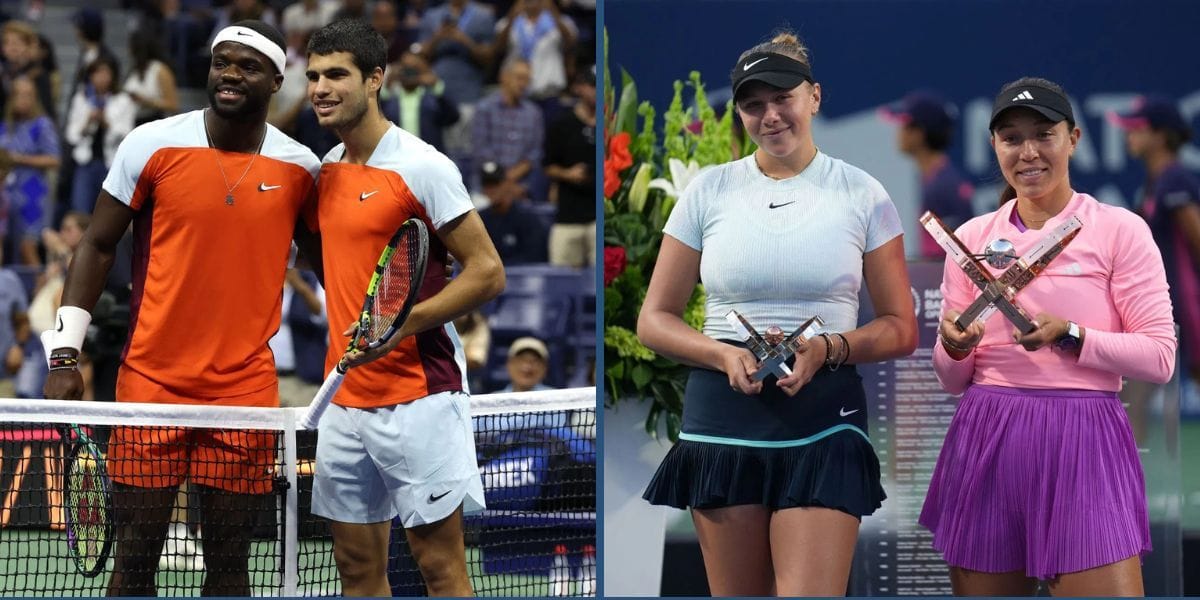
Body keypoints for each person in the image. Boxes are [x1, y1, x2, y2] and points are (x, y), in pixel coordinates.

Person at [42, 20, 321, 596]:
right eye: (223, 62)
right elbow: (96, 244)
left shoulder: (303, 169)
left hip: (244, 393)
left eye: (247, 66)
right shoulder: (151, 142)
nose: (230, 74)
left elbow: (329, 266)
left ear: (276, 80)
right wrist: (65, 353)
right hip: (151, 383)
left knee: (228, 570)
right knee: (135, 564)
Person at [636, 31, 917, 596]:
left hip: (824, 418)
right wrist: (722, 354)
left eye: (782, 98)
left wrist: (827, 349)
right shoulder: (706, 193)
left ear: (813, 96)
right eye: (753, 104)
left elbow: (900, 327)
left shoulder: (862, 193)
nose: (770, 116)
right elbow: (655, 319)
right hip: (722, 421)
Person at [920, 77, 1176, 597]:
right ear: (994, 146)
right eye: (1012, 138)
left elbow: (1159, 357)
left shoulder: (1119, 229)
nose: (1028, 151)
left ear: (1074, 138)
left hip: (1086, 438)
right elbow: (951, 380)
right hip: (987, 435)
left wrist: (1073, 335)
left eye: (1044, 134)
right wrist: (955, 346)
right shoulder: (970, 239)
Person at [304, 18, 505, 596]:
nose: (321, 87)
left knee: (439, 568)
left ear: (374, 80)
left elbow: (488, 272)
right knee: (357, 570)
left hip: (420, 396)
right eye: (314, 75)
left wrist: (401, 324)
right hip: (343, 397)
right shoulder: (326, 171)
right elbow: (341, 269)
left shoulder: (424, 167)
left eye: (337, 74)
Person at [1111, 95, 1200, 380]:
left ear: (1160, 137)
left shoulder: (1175, 180)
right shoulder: (1158, 182)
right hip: (1170, 305)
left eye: (1137, 128)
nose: (1128, 135)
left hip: (1189, 306)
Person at [879, 90, 975, 259]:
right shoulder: (934, 180)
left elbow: (957, 256)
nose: (898, 132)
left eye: (904, 125)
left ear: (919, 133)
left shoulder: (945, 186)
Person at [0, 75, 60, 267]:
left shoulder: (42, 125)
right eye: (18, 94)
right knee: (7, 247)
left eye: (28, 95)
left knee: (27, 246)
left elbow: (54, 159)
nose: (23, 99)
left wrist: (18, 159)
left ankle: (40, 292)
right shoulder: (5, 126)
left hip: (33, 193)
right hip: (7, 194)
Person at [65, 56, 137, 214]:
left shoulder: (123, 100)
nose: (101, 78)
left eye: (106, 73)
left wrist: (106, 122)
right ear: (90, 76)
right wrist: (87, 123)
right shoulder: (81, 98)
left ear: (113, 76)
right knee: (80, 210)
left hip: (112, 164)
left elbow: (128, 134)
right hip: (85, 162)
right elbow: (71, 135)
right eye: (97, 73)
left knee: (107, 213)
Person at [543, 65, 595, 268]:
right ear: (579, 88)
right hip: (568, 215)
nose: (596, 91)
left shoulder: (611, 123)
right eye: (591, 85)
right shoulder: (561, 125)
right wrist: (568, 174)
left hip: (598, 218)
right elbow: (547, 166)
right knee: (562, 281)